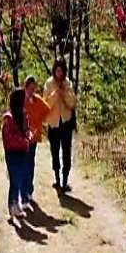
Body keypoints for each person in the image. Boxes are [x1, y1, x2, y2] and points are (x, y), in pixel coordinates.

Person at [43, 59, 78, 192]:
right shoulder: (49, 83)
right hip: (53, 124)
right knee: (55, 151)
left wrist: (63, 93)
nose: (59, 73)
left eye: (61, 71)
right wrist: (54, 94)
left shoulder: (67, 83)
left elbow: (72, 103)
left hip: (66, 123)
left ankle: (65, 181)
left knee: (66, 152)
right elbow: (45, 104)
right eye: (57, 70)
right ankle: (57, 179)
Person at [1, 88, 33, 223]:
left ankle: (17, 205)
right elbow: (9, 138)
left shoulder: (23, 115)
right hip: (12, 153)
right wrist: (23, 140)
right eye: (23, 98)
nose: (26, 100)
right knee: (14, 180)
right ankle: (12, 206)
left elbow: (26, 130)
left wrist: (29, 136)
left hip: (23, 151)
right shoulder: (8, 119)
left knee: (20, 179)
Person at [23, 75, 51, 200]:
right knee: (23, 163)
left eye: (34, 89)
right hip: (23, 137)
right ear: (25, 88)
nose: (32, 91)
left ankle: (29, 189)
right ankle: (23, 189)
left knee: (30, 163)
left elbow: (47, 109)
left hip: (33, 137)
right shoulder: (21, 100)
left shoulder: (37, 100)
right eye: (30, 88)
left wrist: (40, 122)